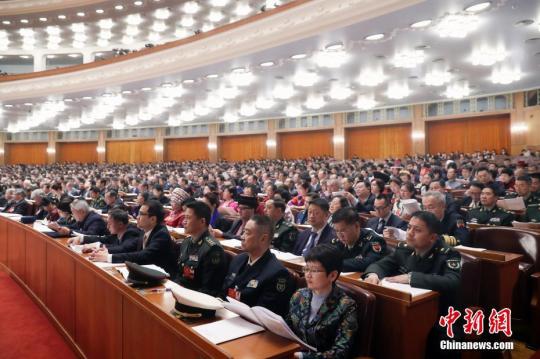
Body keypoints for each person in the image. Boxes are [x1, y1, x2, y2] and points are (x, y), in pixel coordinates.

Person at [363, 211, 461, 313]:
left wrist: (410, 278)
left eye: (417, 230)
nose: (409, 233)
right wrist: (373, 274)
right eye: (409, 227)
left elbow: (452, 281)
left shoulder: (447, 254)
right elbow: (380, 265)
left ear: (432, 237)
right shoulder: (404, 249)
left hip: (437, 312)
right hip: (407, 306)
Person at [286, 244, 358, 359]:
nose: (308, 275)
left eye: (314, 270)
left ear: (332, 275)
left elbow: (341, 352)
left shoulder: (346, 306)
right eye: (306, 269)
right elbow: (287, 329)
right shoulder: (299, 296)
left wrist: (303, 357)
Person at [222, 215, 294, 316]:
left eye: (247, 233)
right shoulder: (238, 259)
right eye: (243, 232)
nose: (242, 237)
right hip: (226, 315)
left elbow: (264, 315)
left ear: (263, 238)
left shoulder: (277, 274)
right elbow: (223, 292)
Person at [90, 200, 177, 275]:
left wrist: (109, 257)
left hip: (163, 279)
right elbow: (128, 248)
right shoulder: (145, 230)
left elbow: (144, 255)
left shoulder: (161, 234)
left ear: (153, 219)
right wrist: (107, 251)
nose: (137, 217)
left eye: (141, 214)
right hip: (146, 273)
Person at [175, 200, 226, 296]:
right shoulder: (186, 242)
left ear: (202, 221)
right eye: (184, 217)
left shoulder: (213, 249)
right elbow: (179, 275)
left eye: (188, 218)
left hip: (197, 300)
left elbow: (209, 290)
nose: (183, 222)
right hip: (180, 293)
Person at [331, 208, 386, 272]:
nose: (340, 235)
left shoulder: (374, 240)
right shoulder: (338, 242)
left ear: (356, 226)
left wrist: (336, 264)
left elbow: (370, 263)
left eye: (343, 230)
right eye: (337, 231)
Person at [69, 209, 142, 254]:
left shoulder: (131, 233)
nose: (107, 227)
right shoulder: (118, 232)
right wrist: (82, 238)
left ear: (120, 224)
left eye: (110, 224)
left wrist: (97, 246)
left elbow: (122, 248)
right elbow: (104, 239)